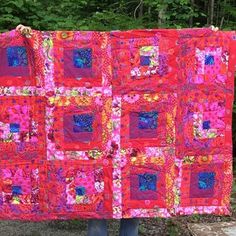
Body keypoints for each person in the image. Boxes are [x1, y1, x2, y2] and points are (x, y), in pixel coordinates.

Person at [16, 24, 140, 236]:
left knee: (127, 211)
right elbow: (50, 62)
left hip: (131, 155)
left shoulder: (138, 85)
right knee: (100, 211)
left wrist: (211, 36)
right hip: (102, 156)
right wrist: (29, 35)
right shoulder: (88, 85)